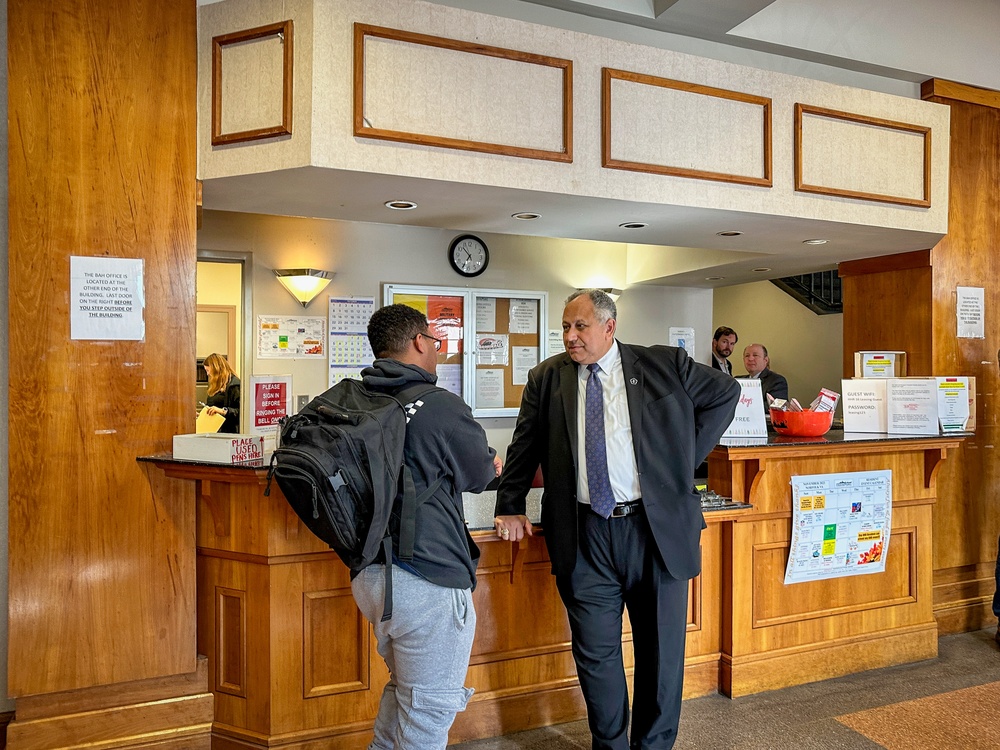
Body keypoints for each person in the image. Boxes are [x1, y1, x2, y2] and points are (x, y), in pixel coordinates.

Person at [494, 289, 740, 750]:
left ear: (609, 327)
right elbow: (524, 445)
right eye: (565, 327)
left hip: (655, 531)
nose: (569, 336)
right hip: (584, 533)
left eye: (579, 326)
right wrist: (509, 503)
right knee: (595, 654)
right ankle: (610, 745)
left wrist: (682, 458)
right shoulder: (547, 377)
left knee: (662, 654)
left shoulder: (665, 363)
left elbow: (726, 393)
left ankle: (653, 746)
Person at [353, 303, 501, 750]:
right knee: (427, 722)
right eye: (434, 342)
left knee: (403, 700)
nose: (436, 351)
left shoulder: (357, 400)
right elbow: (481, 474)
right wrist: (490, 463)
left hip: (371, 577)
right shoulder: (439, 407)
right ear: (420, 342)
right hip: (427, 580)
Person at [740, 343, 789, 413]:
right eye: (747, 356)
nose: (750, 359)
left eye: (755, 355)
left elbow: (775, 407)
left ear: (765, 360)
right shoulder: (737, 381)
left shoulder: (777, 381)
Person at [203, 352, 241, 433]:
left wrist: (222, 411)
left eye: (208, 370)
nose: (208, 374)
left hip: (229, 431)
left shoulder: (234, 385)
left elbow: (241, 412)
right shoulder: (216, 385)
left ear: (216, 369)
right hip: (216, 430)